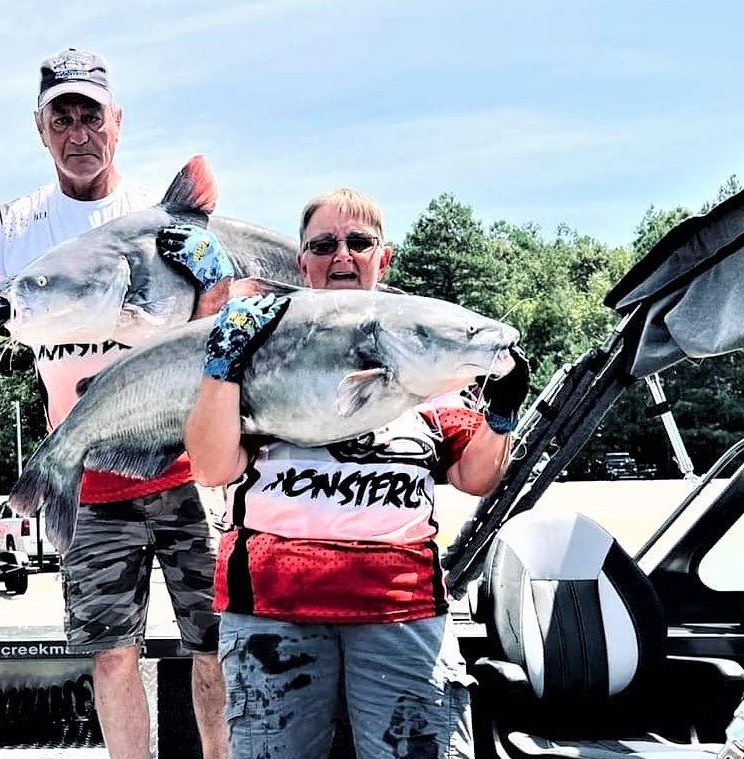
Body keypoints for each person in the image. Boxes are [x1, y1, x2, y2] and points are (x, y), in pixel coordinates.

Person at [0, 48, 228, 759]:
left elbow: (232, 326)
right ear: (40, 128)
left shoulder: (158, 217)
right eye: (62, 117)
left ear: (117, 124)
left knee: (217, 644)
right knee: (111, 653)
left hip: (187, 469)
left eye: (91, 116)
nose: (78, 132)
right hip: (89, 479)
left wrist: (213, 285)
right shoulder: (10, 231)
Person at [182, 189, 531, 758]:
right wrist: (223, 363)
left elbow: (475, 477)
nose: (341, 255)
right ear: (302, 263)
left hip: (402, 607)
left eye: (358, 242)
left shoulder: (431, 358)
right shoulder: (261, 341)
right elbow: (212, 466)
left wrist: (502, 414)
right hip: (272, 610)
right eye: (323, 244)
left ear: (382, 258)